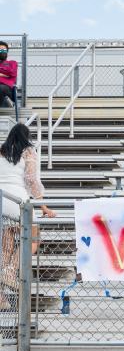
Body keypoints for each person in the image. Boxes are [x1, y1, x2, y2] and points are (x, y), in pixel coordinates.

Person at [0, 124, 56, 310]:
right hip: (18, 201)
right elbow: (31, 180)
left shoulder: (1, 151)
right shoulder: (28, 151)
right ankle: (9, 271)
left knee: (7, 242)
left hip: (2, 200)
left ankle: (1, 297)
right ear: (26, 137)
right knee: (33, 237)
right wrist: (44, 207)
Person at [0, 41, 17, 109]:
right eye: (0, 50)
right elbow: (8, 73)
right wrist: (4, 74)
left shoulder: (12, 63)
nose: (2, 51)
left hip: (6, 89)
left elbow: (12, 73)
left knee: (1, 88)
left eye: (4, 50)